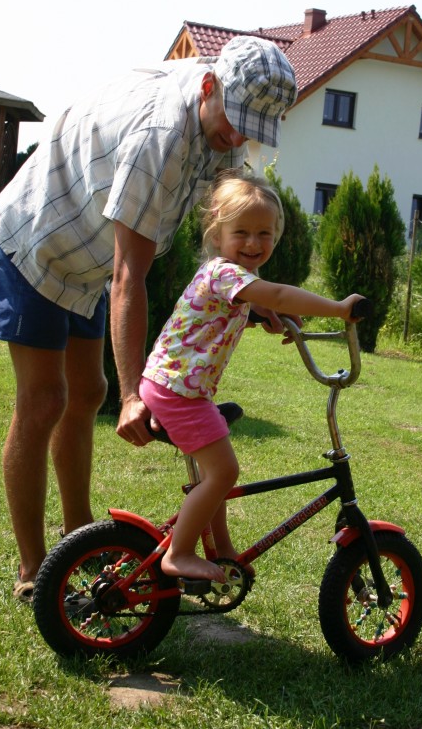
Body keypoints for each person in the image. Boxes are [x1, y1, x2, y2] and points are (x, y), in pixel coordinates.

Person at [0, 36, 298, 602]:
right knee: (45, 399)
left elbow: (217, 253)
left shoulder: (220, 132)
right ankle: (35, 572)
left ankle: (77, 540)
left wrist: (254, 300)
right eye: (234, 121)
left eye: (251, 128)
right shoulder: (162, 135)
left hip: (90, 261)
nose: (237, 137)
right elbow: (132, 274)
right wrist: (134, 397)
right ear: (208, 87)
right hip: (38, 239)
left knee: (85, 391)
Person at [139, 171, 362, 582]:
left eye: (265, 234)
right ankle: (179, 552)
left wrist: (268, 316)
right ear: (217, 232)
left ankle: (222, 551)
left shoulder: (228, 279)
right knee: (224, 473)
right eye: (241, 232)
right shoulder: (224, 274)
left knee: (214, 473)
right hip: (178, 391)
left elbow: (255, 304)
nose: (254, 244)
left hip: (178, 385)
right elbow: (272, 293)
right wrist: (338, 308)